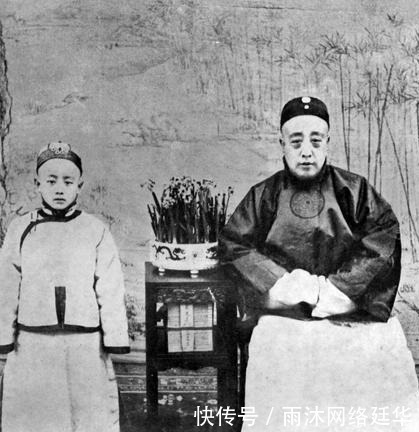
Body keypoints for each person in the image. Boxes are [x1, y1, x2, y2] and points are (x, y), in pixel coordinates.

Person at [220, 96, 419, 431]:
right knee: (280, 353)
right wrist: (285, 285)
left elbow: (383, 235)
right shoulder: (263, 195)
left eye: (315, 141)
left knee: (377, 354)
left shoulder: (354, 190)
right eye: (296, 142)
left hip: (348, 310)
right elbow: (234, 245)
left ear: (328, 142)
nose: (306, 152)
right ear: (282, 144)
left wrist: (335, 291)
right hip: (285, 314)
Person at [0, 141, 130, 432]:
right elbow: (6, 285)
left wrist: (115, 336)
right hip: (33, 341)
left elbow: (110, 287)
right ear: (37, 185)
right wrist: (3, 335)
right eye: (51, 181)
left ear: (79, 186)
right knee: (34, 411)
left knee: (88, 411)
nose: (60, 188)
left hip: (84, 341)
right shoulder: (20, 229)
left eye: (68, 182)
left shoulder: (95, 230)